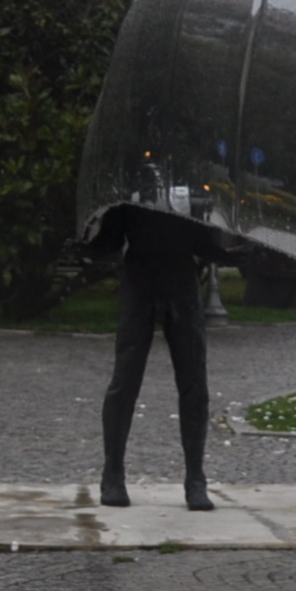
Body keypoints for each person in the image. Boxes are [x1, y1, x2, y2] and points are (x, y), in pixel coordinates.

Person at [96, 208, 222, 511]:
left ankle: (196, 478)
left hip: (181, 281)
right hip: (140, 279)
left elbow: (200, 240)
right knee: (125, 378)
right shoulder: (130, 194)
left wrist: (228, 255)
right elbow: (111, 240)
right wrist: (88, 246)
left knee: (194, 381)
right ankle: (112, 473)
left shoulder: (188, 190)